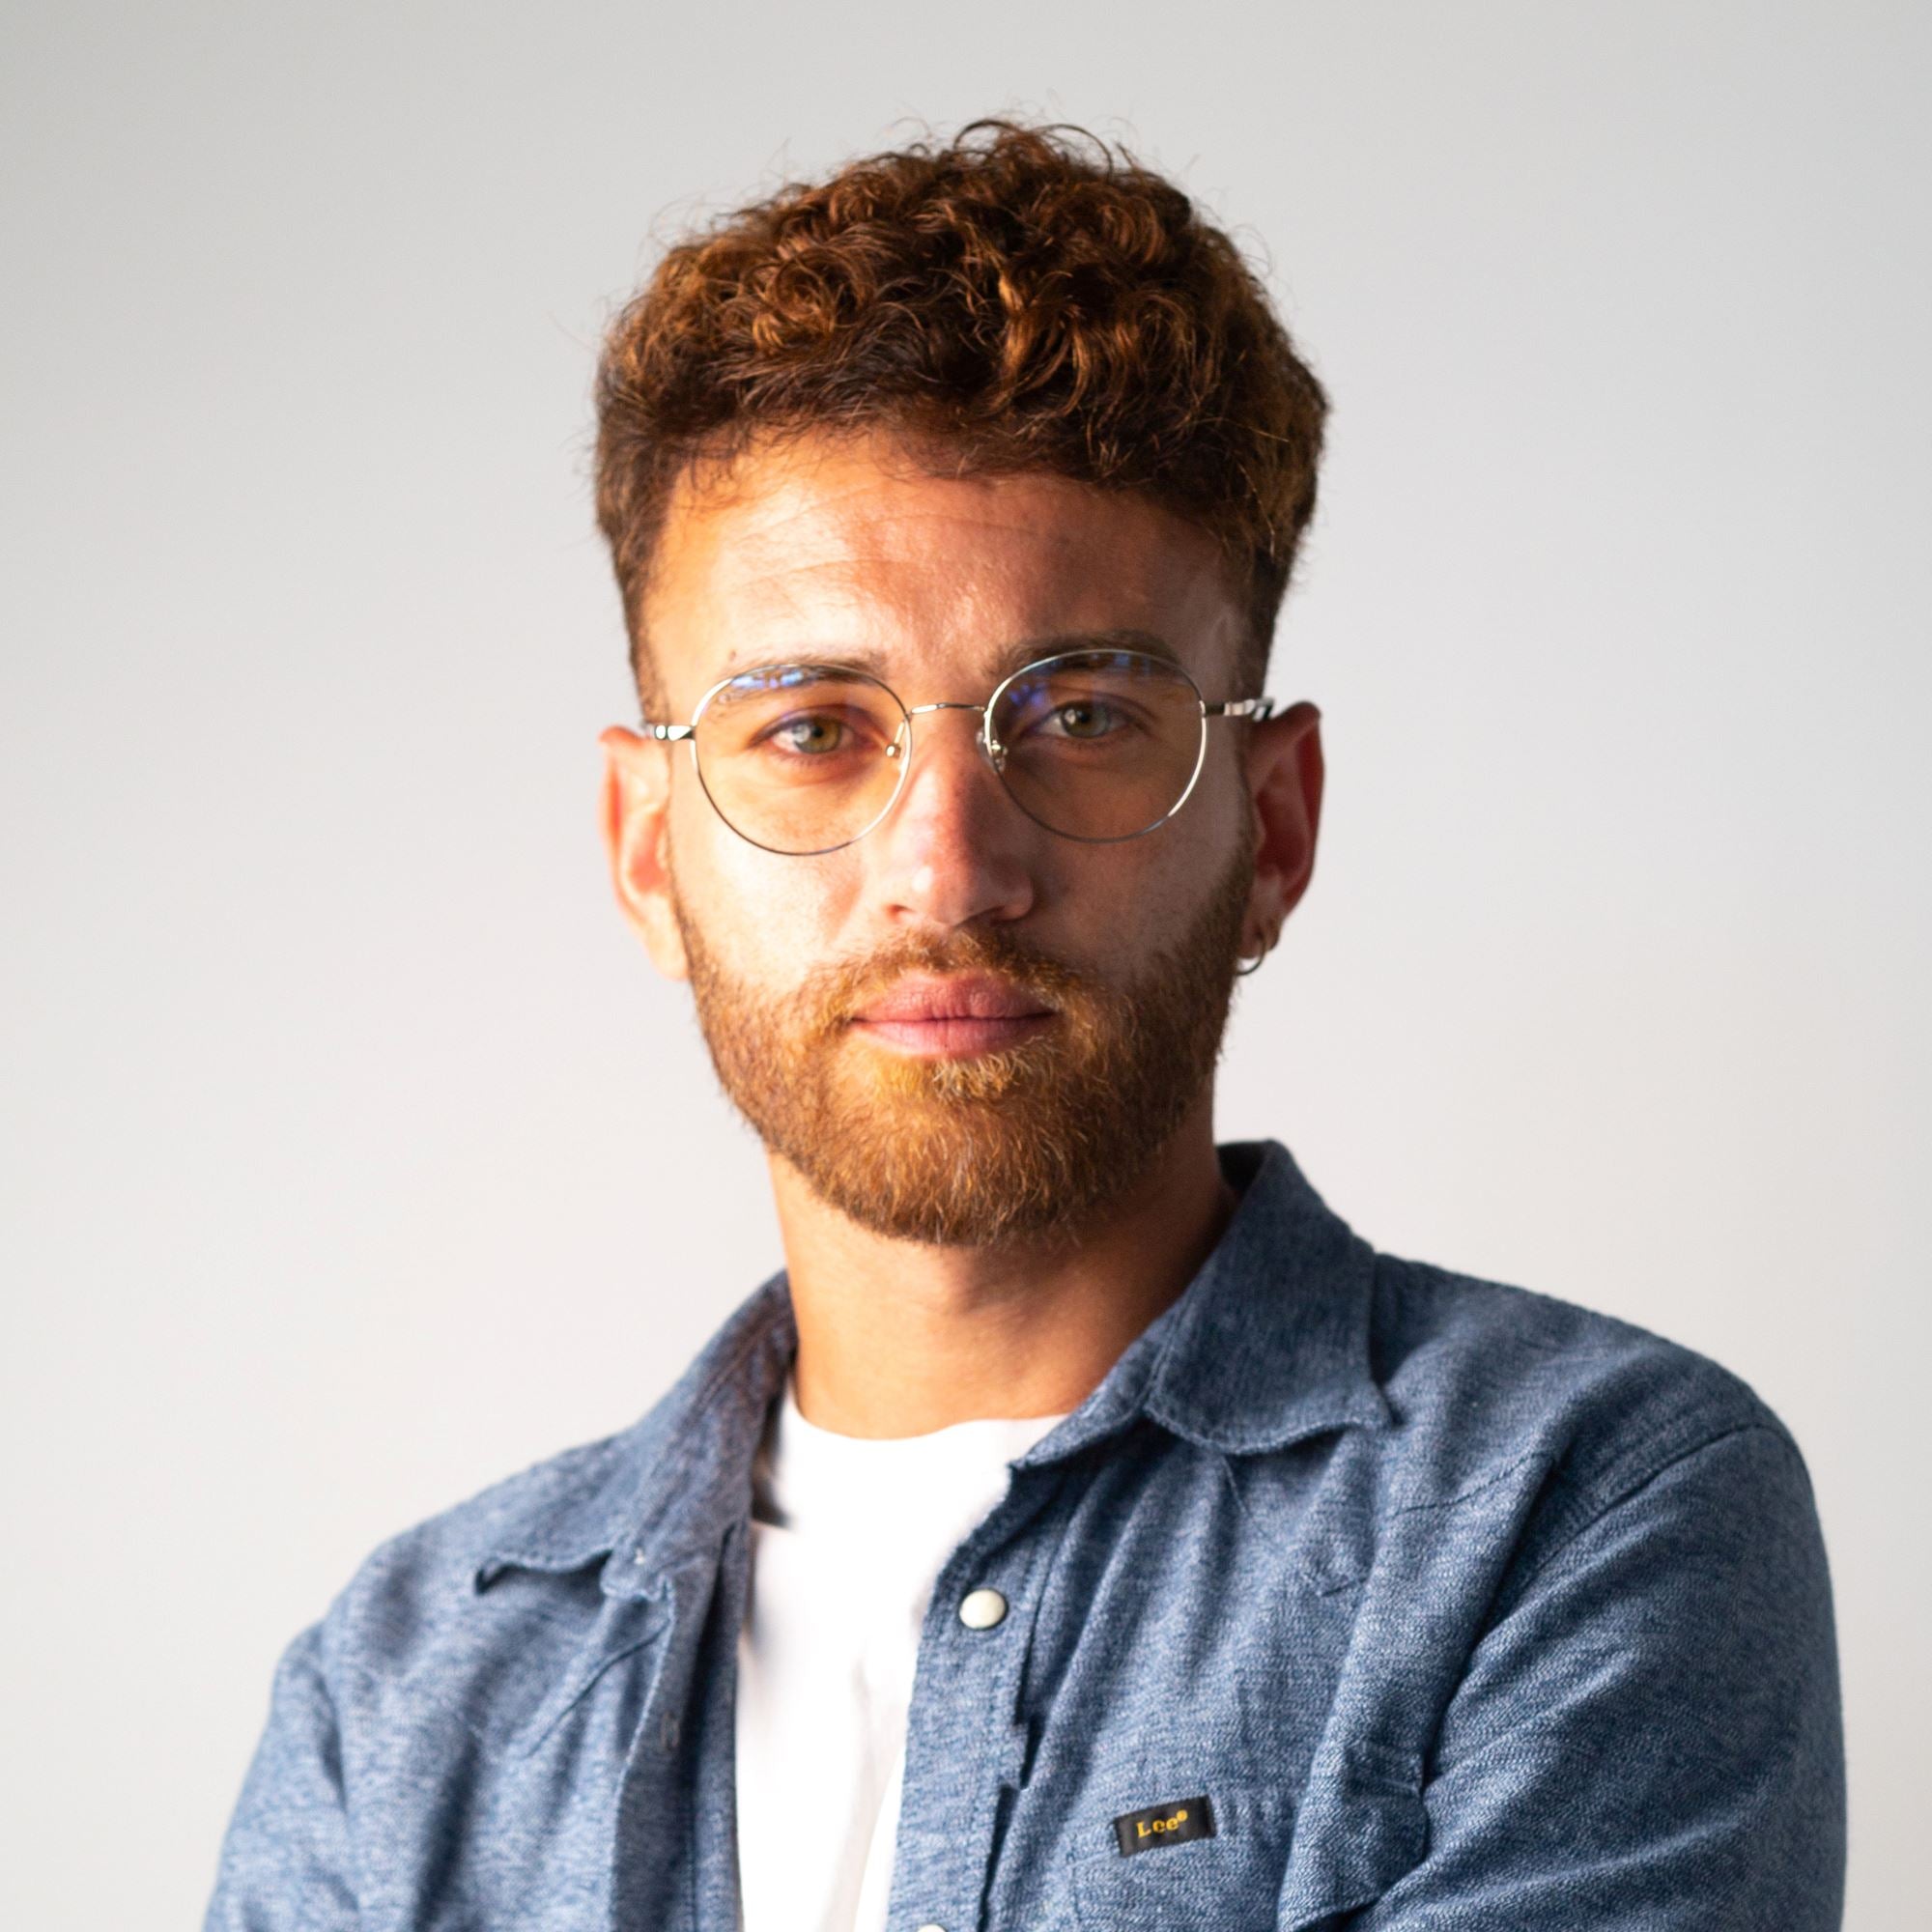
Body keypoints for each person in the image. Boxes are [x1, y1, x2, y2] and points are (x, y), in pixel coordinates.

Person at [202, 120, 1845, 1931]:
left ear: (1273, 827)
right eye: (812, 728)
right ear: (651, 851)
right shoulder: (406, 1693)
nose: (949, 870)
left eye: (1080, 718)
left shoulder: (1577, 1508)